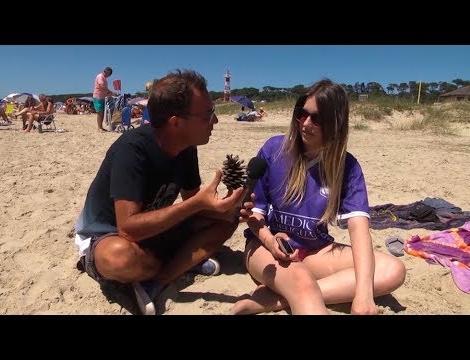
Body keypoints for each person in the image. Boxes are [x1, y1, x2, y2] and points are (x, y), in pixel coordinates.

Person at [74, 69, 255, 315]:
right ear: (176, 122)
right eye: (208, 114)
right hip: (109, 235)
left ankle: (158, 281)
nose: (215, 121)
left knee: (228, 221)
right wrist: (196, 206)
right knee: (120, 257)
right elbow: (127, 228)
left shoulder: (186, 147)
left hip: (153, 230)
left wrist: (226, 207)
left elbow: (192, 201)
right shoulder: (132, 150)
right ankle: (180, 262)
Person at [230, 79, 406, 315]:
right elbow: (254, 214)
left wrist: (363, 296)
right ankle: (298, 292)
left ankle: (277, 300)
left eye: (317, 118)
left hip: (316, 250)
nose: (306, 123)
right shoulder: (274, 150)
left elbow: (358, 227)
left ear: (335, 124)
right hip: (265, 247)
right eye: (302, 114)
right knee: (302, 282)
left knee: (392, 269)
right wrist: (270, 240)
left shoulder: (346, 166)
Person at [92, 66, 116, 132]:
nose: (109, 76)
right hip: (98, 97)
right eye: (109, 74)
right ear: (107, 72)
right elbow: (101, 85)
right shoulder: (100, 76)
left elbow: (104, 88)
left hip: (102, 97)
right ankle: (99, 128)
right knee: (100, 113)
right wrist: (110, 92)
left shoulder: (104, 78)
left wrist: (109, 93)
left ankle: (101, 127)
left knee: (102, 113)